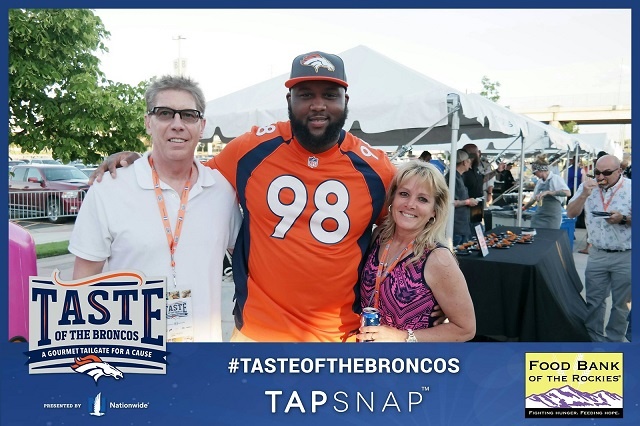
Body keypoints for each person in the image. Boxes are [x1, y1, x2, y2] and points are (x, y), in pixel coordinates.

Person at [91, 51, 450, 342]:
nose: (318, 105)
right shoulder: (250, 149)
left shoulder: (377, 169)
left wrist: (427, 295)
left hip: (339, 336)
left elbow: (405, 235)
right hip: (257, 334)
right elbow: (186, 175)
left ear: (346, 100)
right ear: (289, 99)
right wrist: (140, 160)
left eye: (330, 94)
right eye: (306, 94)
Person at [69, 75, 243, 342]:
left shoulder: (221, 190)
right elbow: (81, 281)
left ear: (202, 125)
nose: (177, 125)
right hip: (130, 355)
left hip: (202, 356)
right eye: (164, 114)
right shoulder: (108, 189)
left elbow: (246, 260)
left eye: (188, 115)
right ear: (148, 122)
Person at [357, 161, 476, 343]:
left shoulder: (438, 259)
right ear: (393, 198)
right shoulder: (379, 236)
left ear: (434, 211)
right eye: (404, 194)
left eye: (423, 199)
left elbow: (465, 329)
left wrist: (403, 337)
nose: (410, 204)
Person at [566, 154, 631, 342]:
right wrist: (585, 194)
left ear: (619, 171)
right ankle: (593, 341)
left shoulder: (631, 188)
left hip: (626, 254)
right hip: (597, 253)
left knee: (620, 304)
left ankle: (614, 342)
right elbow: (571, 213)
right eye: (597, 173)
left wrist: (623, 219)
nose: (600, 177)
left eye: (607, 173)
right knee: (594, 301)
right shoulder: (587, 187)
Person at [461, 144, 505, 230]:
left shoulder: (474, 168)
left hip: (476, 211)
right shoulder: (463, 171)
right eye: (478, 152)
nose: (479, 154)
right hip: (466, 213)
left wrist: (497, 171)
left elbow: (482, 179)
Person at [522, 154, 570, 229]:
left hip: (552, 217)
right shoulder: (540, 182)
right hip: (540, 214)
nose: (535, 175)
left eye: (534, 173)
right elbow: (533, 198)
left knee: (549, 237)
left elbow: (568, 193)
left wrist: (549, 192)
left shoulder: (555, 178)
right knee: (534, 235)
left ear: (540, 170)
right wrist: (524, 208)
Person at [445, 149, 477, 245]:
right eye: (469, 162)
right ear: (464, 162)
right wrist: (467, 202)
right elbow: (449, 201)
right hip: (455, 228)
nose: (470, 165)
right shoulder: (451, 178)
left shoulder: (458, 177)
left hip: (462, 226)